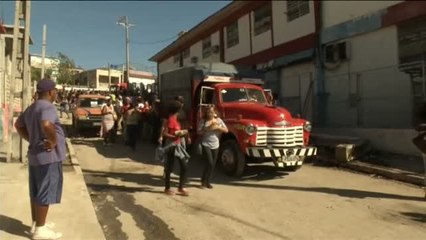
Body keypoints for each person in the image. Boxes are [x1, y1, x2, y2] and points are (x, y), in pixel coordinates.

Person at [15, 78, 65, 239]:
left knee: (36, 192)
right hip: (48, 157)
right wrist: (53, 141)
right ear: (50, 92)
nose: (56, 93)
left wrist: (30, 138)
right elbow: (46, 124)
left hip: (35, 156)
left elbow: (18, 125)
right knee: (46, 191)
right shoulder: (47, 106)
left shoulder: (32, 107)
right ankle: (40, 230)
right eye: (55, 91)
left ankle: (37, 224)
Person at [162, 100, 191, 196]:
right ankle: (167, 188)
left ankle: (180, 187)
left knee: (184, 166)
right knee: (170, 167)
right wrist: (175, 136)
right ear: (178, 109)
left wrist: (183, 133)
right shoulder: (171, 119)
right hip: (171, 146)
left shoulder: (175, 118)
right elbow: (165, 133)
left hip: (177, 145)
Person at [197, 105, 228, 189]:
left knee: (212, 165)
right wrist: (207, 128)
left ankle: (208, 182)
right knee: (209, 162)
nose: (210, 114)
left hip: (216, 144)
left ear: (215, 112)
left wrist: (218, 127)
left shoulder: (218, 120)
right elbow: (198, 132)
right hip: (206, 144)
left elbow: (226, 130)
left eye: (211, 112)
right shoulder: (203, 121)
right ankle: (203, 182)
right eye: (208, 112)